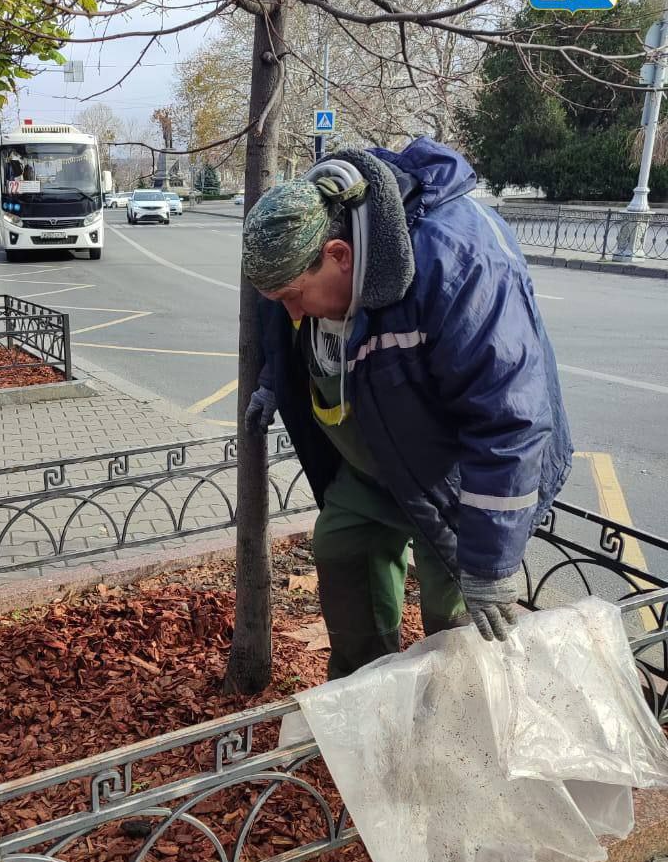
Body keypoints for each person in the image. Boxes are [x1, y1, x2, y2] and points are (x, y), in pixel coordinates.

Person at [241, 137, 571, 678]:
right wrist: (275, 381)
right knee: (343, 555)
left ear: (341, 257)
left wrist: (491, 564)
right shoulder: (314, 238)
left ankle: (462, 741)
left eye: (295, 295)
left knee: (460, 625)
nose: (292, 311)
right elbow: (292, 325)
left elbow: (509, 421)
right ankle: (373, 704)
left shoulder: (458, 264)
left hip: (458, 479)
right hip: (376, 460)